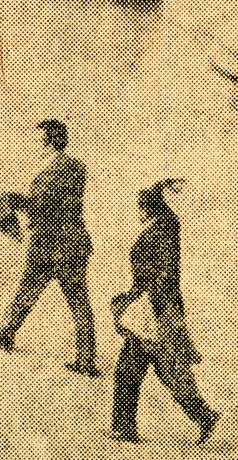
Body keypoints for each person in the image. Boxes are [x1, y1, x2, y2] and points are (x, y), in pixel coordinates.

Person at [0, 120, 99, 377]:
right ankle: (85, 359)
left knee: (37, 290)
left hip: (51, 243)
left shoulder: (56, 168)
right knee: (73, 299)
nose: (34, 142)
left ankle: (6, 332)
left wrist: (10, 201)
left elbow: (42, 206)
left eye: (38, 138)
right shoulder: (74, 165)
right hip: (72, 242)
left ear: (47, 140)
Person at [110, 179, 220, 444]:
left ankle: (203, 416)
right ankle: (125, 427)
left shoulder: (162, 231)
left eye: (140, 207)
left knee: (165, 370)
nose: (137, 211)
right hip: (153, 309)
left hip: (158, 311)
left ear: (149, 208)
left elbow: (166, 273)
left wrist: (139, 298)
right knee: (134, 368)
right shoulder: (160, 227)